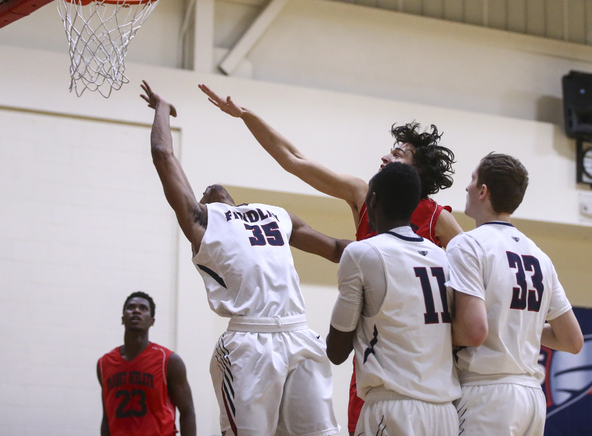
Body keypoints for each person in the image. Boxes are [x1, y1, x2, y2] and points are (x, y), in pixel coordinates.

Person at [198, 83, 463, 432]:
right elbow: (294, 160)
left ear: (416, 173)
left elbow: (473, 279)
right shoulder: (363, 194)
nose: (385, 157)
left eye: (397, 154)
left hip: (426, 361)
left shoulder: (438, 219)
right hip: (376, 357)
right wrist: (246, 115)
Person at [140, 80, 348, 436]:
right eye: (202, 191)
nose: (208, 187)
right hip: (250, 343)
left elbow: (335, 250)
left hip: (299, 333)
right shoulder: (202, 222)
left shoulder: (275, 213)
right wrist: (162, 108)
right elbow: (163, 153)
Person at [446, 152, 584, 435]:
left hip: (487, 395)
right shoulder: (540, 256)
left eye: (472, 179)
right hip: (532, 399)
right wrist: (518, 327)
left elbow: (473, 332)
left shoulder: (468, 245)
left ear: (483, 191)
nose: (467, 187)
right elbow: (572, 340)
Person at [327, 162, 461, 436]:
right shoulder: (444, 257)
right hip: (445, 412)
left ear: (373, 199)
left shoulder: (363, 252)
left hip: (393, 409)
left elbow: (336, 351)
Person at [97, 291, 196, 436]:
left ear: (152, 321)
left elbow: (187, 412)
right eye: (131, 307)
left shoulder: (169, 361)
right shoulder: (104, 363)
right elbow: (107, 417)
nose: (136, 310)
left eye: (143, 308)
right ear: (123, 318)